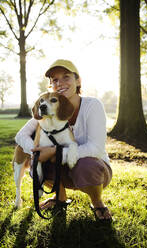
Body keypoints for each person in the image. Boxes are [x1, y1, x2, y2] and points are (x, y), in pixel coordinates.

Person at [15, 59, 113, 221]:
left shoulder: (92, 105)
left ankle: (98, 204)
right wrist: (37, 151)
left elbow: (95, 148)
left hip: (92, 171)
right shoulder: (48, 106)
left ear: (78, 80)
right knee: (38, 163)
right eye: (55, 80)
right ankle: (59, 198)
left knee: (86, 164)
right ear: (51, 85)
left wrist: (56, 152)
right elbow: (20, 136)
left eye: (66, 77)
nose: (60, 83)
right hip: (61, 171)